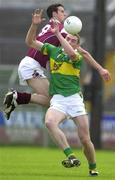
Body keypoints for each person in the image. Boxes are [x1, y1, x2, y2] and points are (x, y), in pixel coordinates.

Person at [25, 9, 111, 176]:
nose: (70, 41)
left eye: (73, 40)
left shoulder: (76, 56)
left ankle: (93, 167)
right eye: (68, 38)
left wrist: (58, 34)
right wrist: (34, 26)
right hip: (58, 99)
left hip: (75, 100)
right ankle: (70, 155)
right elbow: (30, 42)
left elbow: (71, 53)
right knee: (50, 122)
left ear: (77, 45)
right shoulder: (52, 50)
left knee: (85, 140)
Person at [3, 4, 67, 120]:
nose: (65, 14)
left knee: (52, 100)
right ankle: (17, 97)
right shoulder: (61, 28)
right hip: (31, 65)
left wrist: (34, 25)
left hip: (31, 64)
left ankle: (18, 97)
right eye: (62, 11)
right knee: (54, 101)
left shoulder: (50, 26)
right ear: (54, 13)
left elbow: (31, 42)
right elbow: (72, 47)